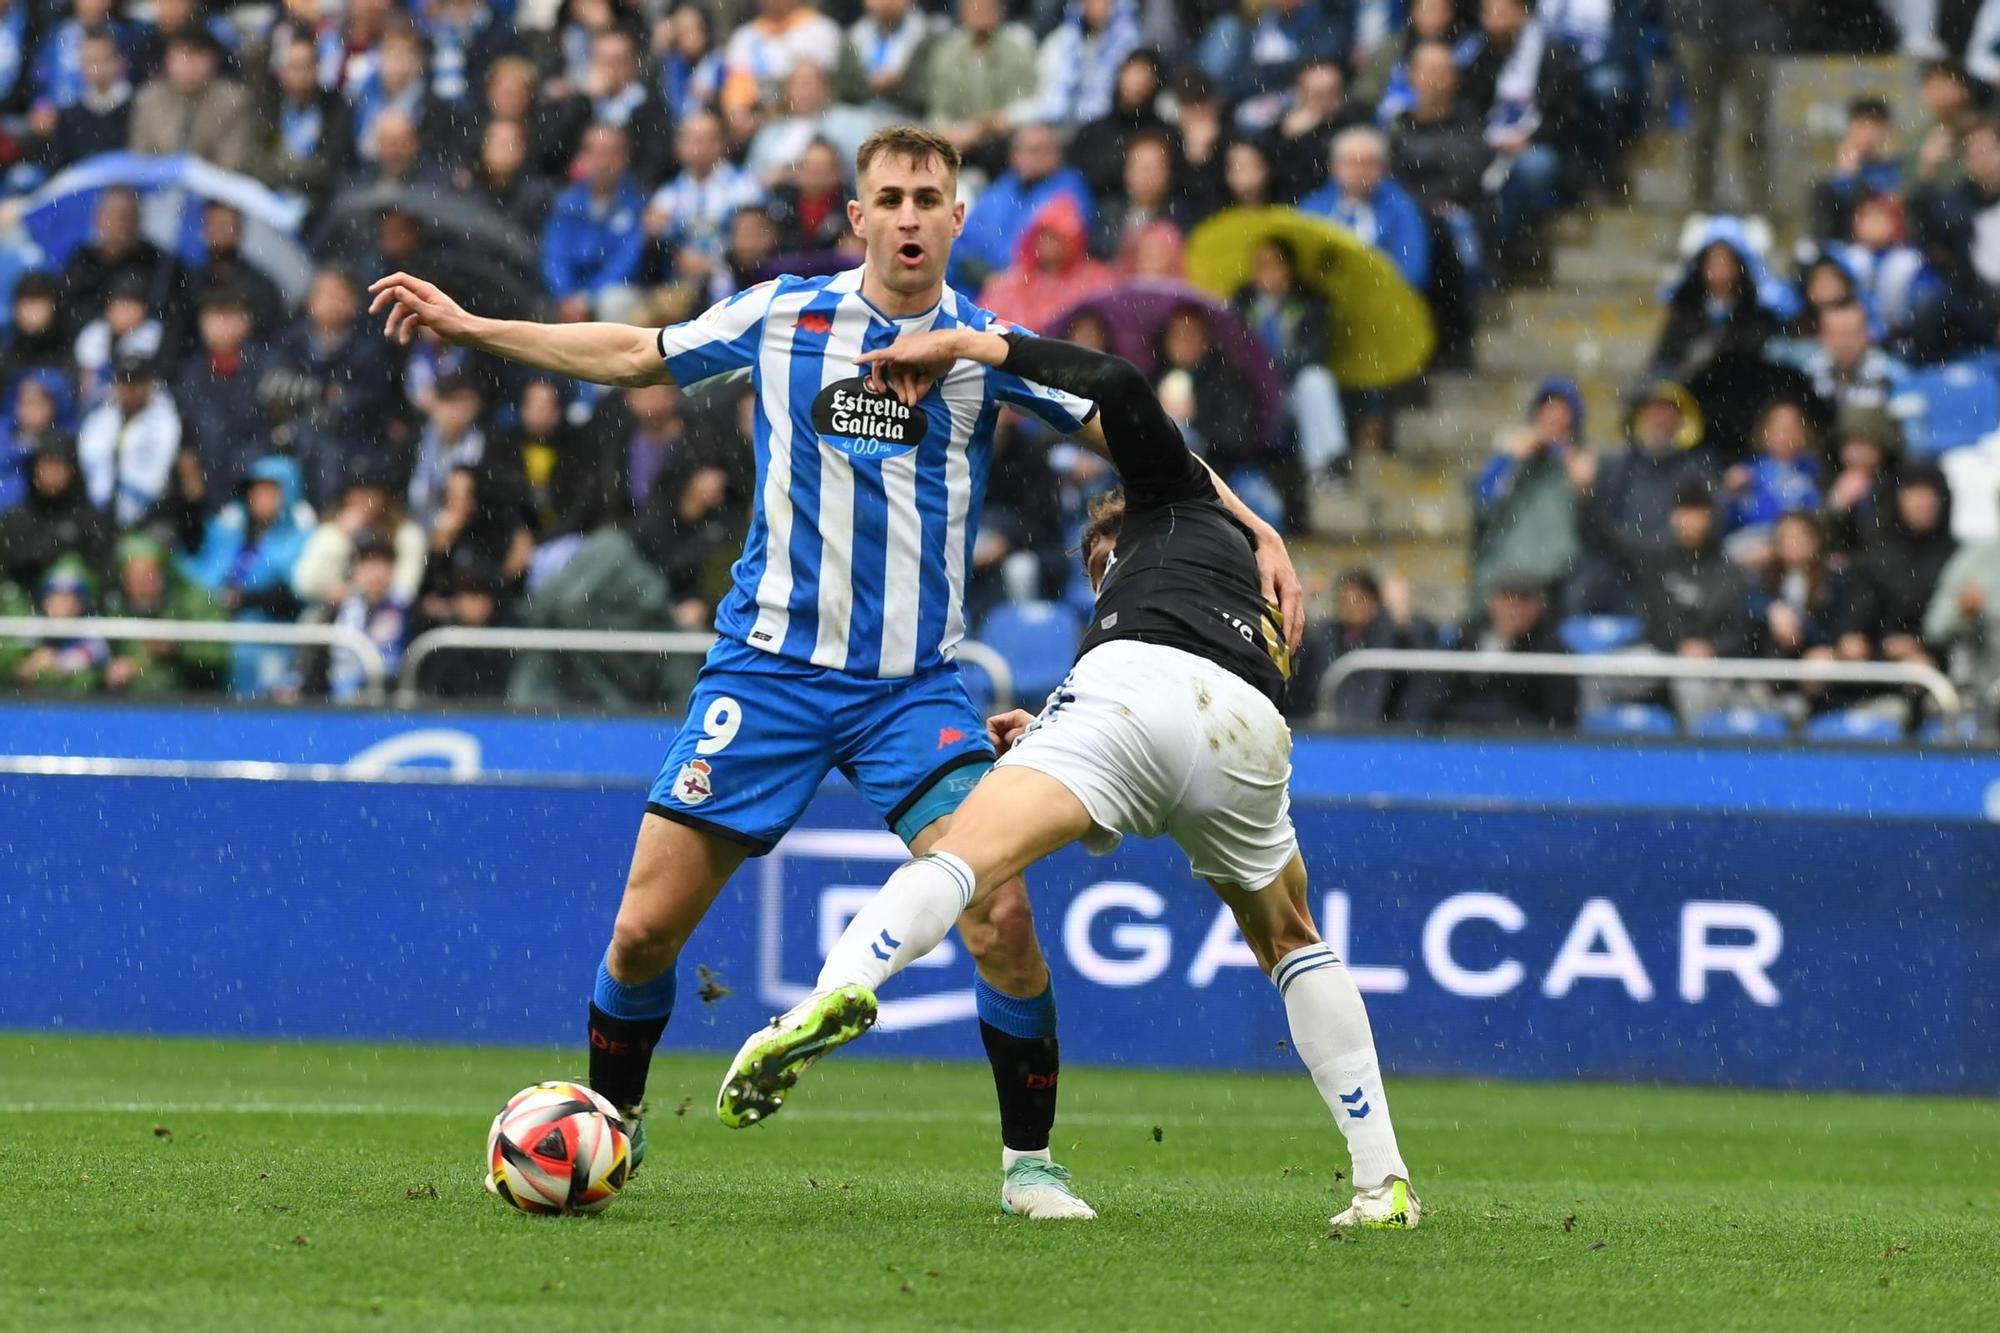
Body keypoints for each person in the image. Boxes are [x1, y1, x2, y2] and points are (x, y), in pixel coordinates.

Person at [369, 122, 1304, 1220]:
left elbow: (1137, 434)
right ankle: (610, 1132)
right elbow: (635, 352)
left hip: (909, 693)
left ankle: (1029, 1167)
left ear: (958, 220)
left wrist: (1247, 526)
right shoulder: (782, 316)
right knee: (641, 932)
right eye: (891, 197)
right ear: (857, 218)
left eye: (929, 197)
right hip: (764, 675)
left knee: (999, 916)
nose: (909, 214)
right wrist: (474, 326)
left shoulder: (982, 348)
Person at [715, 323, 1414, 1231]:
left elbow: (1120, 380)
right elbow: (1172, 692)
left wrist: (973, 341)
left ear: (1123, 526)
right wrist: (1047, 723)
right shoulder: (1247, 579)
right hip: (1248, 724)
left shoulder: (1167, 497)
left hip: (1129, 695)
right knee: (1289, 934)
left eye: (1102, 564)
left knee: (962, 859)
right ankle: (1382, 1180)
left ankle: (836, 990)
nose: (1100, 581)